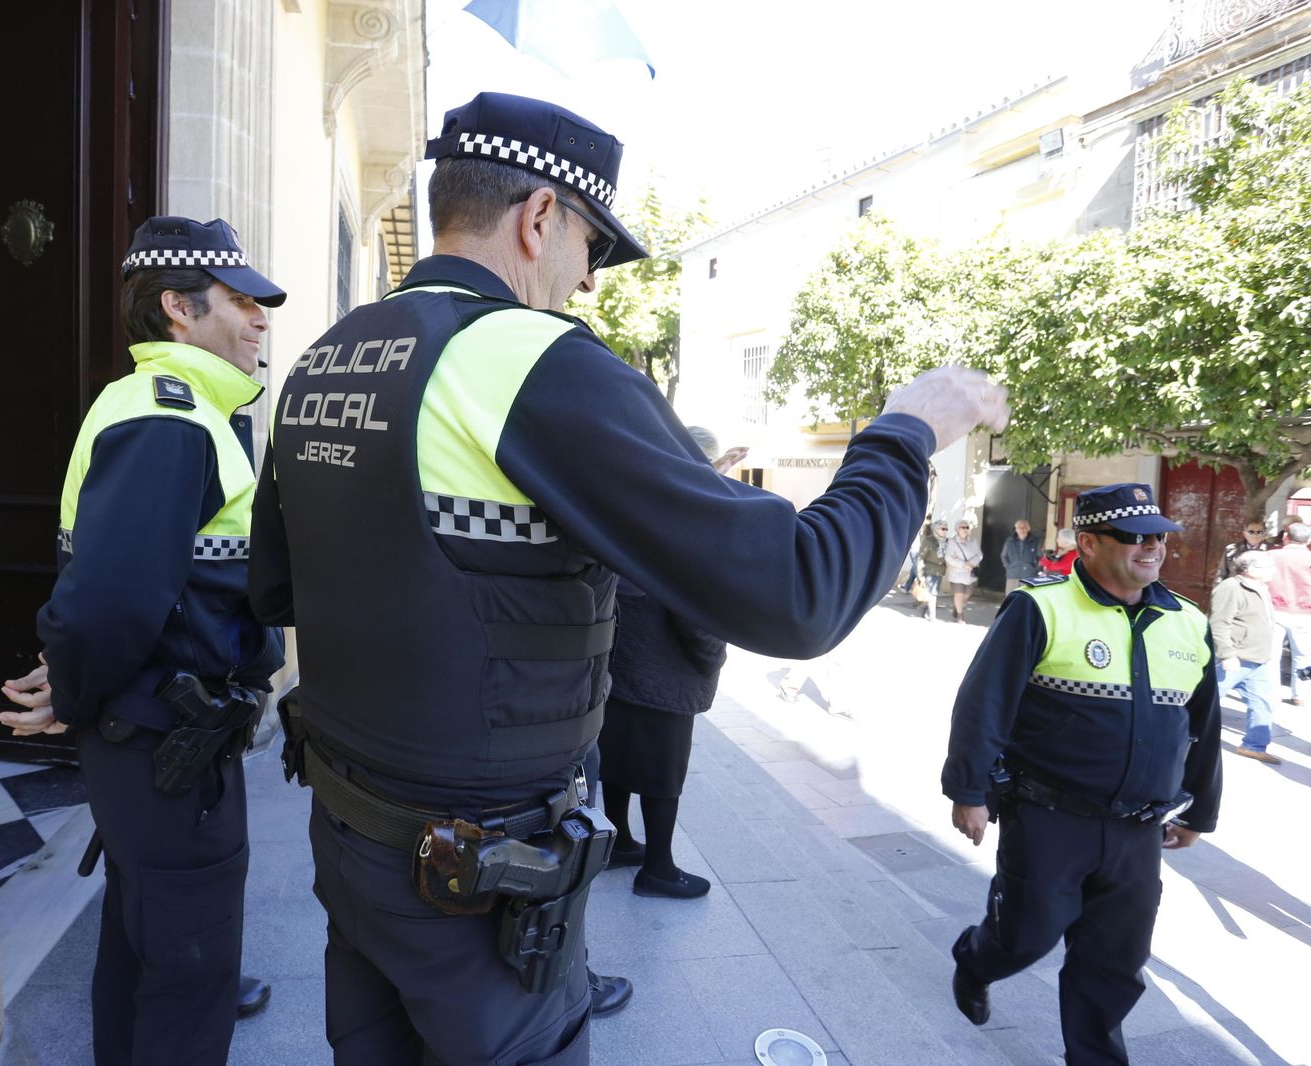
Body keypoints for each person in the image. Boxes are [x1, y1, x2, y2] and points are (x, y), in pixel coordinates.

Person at [246, 91, 1010, 1066]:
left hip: (349, 842)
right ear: (538, 217)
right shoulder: (525, 359)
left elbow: (277, 591)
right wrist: (904, 435)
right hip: (473, 878)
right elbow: (798, 590)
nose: (590, 284)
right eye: (593, 248)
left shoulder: (329, 357)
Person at [0, 217, 288, 1065]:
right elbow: (112, 602)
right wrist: (73, 690)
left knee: (141, 948)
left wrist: (78, 685)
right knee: (188, 979)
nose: (261, 317)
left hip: (161, 738)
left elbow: (124, 587)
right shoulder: (171, 418)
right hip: (169, 746)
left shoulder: (173, 409)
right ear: (178, 308)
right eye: (242, 300)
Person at [941, 483, 1221, 1066]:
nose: (1152, 547)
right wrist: (968, 791)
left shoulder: (1188, 621)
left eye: (1159, 536)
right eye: (1134, 536)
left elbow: (1205, 726)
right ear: (1088, 542)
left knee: (1116, 960)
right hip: (1048, 816)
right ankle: (975, 959)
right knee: (1026, 936)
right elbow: (982, 704)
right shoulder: (1040, 606)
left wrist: (1200, 811)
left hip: (1137, 829)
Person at [600, 428, 742, 900]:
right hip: (666, 671)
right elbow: (698, 613)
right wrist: (712, 656)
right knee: (663, 774)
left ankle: (619, 842)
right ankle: (659, 868)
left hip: (619, 660)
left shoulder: (635, 502)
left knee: (618, 759)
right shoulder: (691, 521)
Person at [1209, 551, 1280, 764]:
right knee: (1208, 701)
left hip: (1257, 658)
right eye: (1268, 567)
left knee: (1263, 703)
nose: (1273, 571)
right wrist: (1227, 654)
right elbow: (1219, 623)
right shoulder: (1231, 587)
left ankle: (1254, 746)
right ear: (1250, 569)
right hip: (1236, 657)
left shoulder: (1260, 588)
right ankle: (1183, 736)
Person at [1268, 521, 1311, 705]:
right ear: (1309, 539)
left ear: (1286, 537)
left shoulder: (1271, 555)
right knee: (1303, 654)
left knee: (1272, 654)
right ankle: (1300, 695)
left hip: (1274, 609)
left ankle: (1271, 692)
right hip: (1306, 611)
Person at [945, 518, 983, 623]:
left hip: (970, 573)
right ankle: (960, 616)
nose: (965, 529)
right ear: (957, 529)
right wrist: (963, 564)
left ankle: (957, 607)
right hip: (957, 573)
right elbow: (949, 557)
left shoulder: (973, 541)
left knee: (968, 594)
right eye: (963, 527)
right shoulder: (952, 542)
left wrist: (972, 563)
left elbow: (979, 555)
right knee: (959, 593)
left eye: (967, 527)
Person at [917, 518, 950, 621]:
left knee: (932, 593)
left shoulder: (947, 541)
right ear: (936, 529)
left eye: (946, 529)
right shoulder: (928, 540)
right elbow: (920, 557)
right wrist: (920, 575)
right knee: (933, 593)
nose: (945, 531)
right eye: (942, 529)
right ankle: (932, 616)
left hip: (940, 571)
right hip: (929, 570)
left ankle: (922, 608)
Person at [1000, 518, 1041, 593]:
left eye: (1024, 527)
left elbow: (1040, 557)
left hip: (1029, 575)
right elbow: (1003, 555)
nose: (1022, 529)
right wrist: (1008, 566)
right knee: (1011, 597)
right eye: (1019, 527)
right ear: (1016, 529)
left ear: (1028, 529)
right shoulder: (1009, 541)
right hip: (1013, 574)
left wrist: (1035, 568)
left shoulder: (1036, 541)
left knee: (1027, 598)